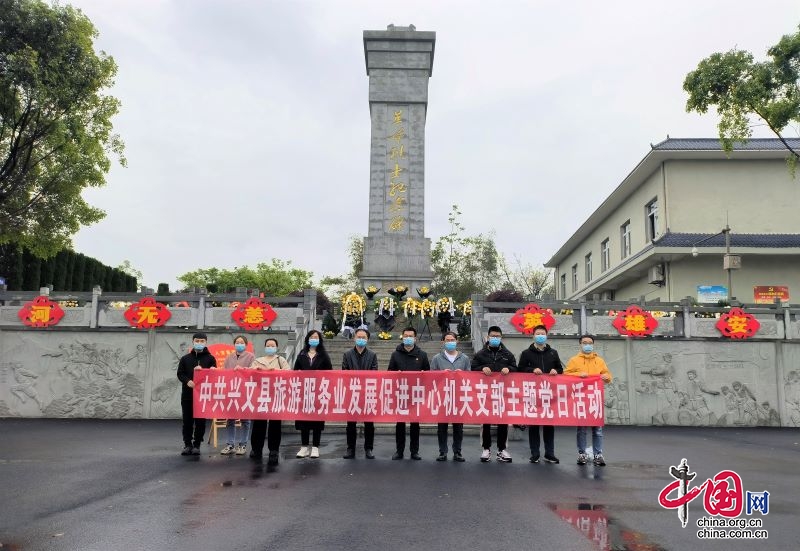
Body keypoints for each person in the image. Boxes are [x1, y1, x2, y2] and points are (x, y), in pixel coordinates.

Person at [517, 324, 563, 464]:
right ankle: (535, 453)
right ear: (533, 336)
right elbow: (520, 370)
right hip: (533, 393)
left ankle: (549, 453)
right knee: (534, 425)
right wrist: (531, 370)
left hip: (549, 393)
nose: (540, 336)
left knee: (549, 424)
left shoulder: (553, 353)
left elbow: (560, 369)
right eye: (538, 333)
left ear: (546, 335)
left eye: (543, 333)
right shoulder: (526, 353)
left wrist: (556, 371)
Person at [564, 334, 612, 466]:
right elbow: (566, 375)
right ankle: (582, 453)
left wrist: (605, 377)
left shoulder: (599, 361)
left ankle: (598, 454)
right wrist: (578, 374)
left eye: (590, 342)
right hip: (580, 399)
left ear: (593, 344)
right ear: (580, 344)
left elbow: (608, 376)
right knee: (582, 429)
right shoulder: (574, 360)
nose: (587, 345)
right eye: (585, 342)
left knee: (597, 429)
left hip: (595, 398)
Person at [471, 326, 517, 463]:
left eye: (497, 336)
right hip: (486, 393)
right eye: (493, 336)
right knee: (485, 421)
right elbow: (472, 368)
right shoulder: (480, 354)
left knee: (503, 422)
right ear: (488, 337)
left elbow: (516, 368)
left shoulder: (508, 354)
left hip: (503, 393)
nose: (495, 338)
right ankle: (486, 448)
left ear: (501, 338)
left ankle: (502, 449)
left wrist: (508, 368)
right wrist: (481, 368)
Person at [388, 326, 430, 460]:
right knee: (400, 424)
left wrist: (424, 375)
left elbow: (428, 375)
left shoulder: (422, 355)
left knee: (415, 425)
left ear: (415, 338)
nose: (408, 338)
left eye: (410, 336)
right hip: (400, 394)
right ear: (402, 337)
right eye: (405, 336)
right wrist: (396, 375)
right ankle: (399, 451)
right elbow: (389, 373)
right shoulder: (395, 354)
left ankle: (414, 451)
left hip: (416, 395)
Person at [430, 331, 469, 462]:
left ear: (457, 341)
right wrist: (441, 374)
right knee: (442, 427)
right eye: (447, 340)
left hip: (458, 397)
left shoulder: (464, 358)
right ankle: (443, 452)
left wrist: (462, 374)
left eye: (452, 340)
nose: (450, 342)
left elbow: (470, 377)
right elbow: (431, 377)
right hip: (442, 397)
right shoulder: (437, 358)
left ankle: (457, 451)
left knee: (458, 427)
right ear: (443, 342)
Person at [250, 338, 290, 465]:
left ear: (277, 347)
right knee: (258, 424)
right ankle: (256, 449)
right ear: (265, 347)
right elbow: (250, 374)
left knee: (275, 424)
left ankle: (274, 450)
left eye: (273, 345)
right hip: (260, 395)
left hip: (275, 395)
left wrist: (276, 371)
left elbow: (289, 373)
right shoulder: (258, 361)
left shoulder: (280, 360)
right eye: (268, 345)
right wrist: (256, 371)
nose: (270, 347)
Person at [293, 330, 332, 459]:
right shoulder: (302, 354)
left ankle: (315, 447)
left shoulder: (323, 355)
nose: (314, 339)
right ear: (308, 339)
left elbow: (330, 373)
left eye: (316, 337)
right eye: (312, 337)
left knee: (317, 420)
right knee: (304, 419)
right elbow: (295, 371)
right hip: (304, 392)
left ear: (320, 340)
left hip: (318, 392)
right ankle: (304, 447)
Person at [176, 332, 217, 455]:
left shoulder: (210, 358)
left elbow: (214, 376)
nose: (199, 343)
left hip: (203, 396)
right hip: (188, 395)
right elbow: (180, 373)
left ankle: (197, 444)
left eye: (202, 341)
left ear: (206, 342)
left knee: (200, 421)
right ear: (193, 342)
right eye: (197, 341)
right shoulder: (185, 358)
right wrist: (187, 381)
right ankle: (187, 444)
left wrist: (213, 371)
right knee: (187, 421)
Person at [341, 328, 379, 459]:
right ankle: (350, 448)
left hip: (368, 393)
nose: (361, 339)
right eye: (359, 337)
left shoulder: (372, 355)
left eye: (364, 337)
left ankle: (368, 448)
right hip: (352, 392)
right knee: (351, 423)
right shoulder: (347, 354)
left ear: (367, 340)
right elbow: (344, 372)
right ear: (354, 338)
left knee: (369, 423)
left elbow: (374, 372)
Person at [220, 335, 255, 456]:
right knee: (230, 419)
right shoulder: (229, 357)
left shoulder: (251, 356)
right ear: (234, 344)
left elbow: (253, 371)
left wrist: (243, 369)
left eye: (241, 342)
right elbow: (225, 372)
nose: (239, 344)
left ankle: (243, 444)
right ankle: (230, 444)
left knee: (245, 419)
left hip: (245, 391)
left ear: (245, 345)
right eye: (237, 342)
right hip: (231, 390)